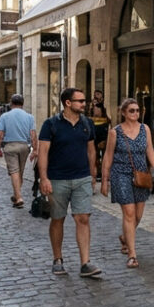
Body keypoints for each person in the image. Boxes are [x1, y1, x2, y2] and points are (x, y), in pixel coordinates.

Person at [38, 87, 102, 278]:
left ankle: (85, 263)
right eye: (80, 101)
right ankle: (58, 259)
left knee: (83, 218)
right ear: (68, 103)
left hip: (82, 178)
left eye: (84, 100)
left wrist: (93, 174)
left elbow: (91, 150)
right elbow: (43, 152)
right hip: (57, 179)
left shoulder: (87, 123)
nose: (84, 104)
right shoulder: (51, 124)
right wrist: (44, 178)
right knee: (58, 218)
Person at [102, 98, 154, 268]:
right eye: (131, 110)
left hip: (141, 175)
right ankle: (132, 254)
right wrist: (104, 180)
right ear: (123, 113)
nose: (135, 113)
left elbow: (149, 150)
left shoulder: (145, 129)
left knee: (137, 216)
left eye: (138, 110)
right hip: (120, 174)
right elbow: (108, 156)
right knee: (129, 213)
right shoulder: (115, 132)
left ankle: (125, 237)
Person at [0, 94, 37, 209]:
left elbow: (0, 134)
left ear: (11, 103)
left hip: (10, 146)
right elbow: (33, 134)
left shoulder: (5, 116)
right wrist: (35, 150)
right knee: (20, 172)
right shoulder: (29, 117)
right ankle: (16, 195)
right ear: (22, 104)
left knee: (14, 171)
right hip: (24, 146)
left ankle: (19, 198)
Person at [90, 105, 111, 182]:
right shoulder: (90, 120)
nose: (96, 111)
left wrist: (105, 141)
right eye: (95, 110)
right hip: (93, 141)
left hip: (103, 141)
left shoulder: (106, 120)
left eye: (97, 110)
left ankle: (103, 173)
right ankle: (96, 173)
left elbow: (108, 131)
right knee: (95, 158)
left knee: (104, 158)